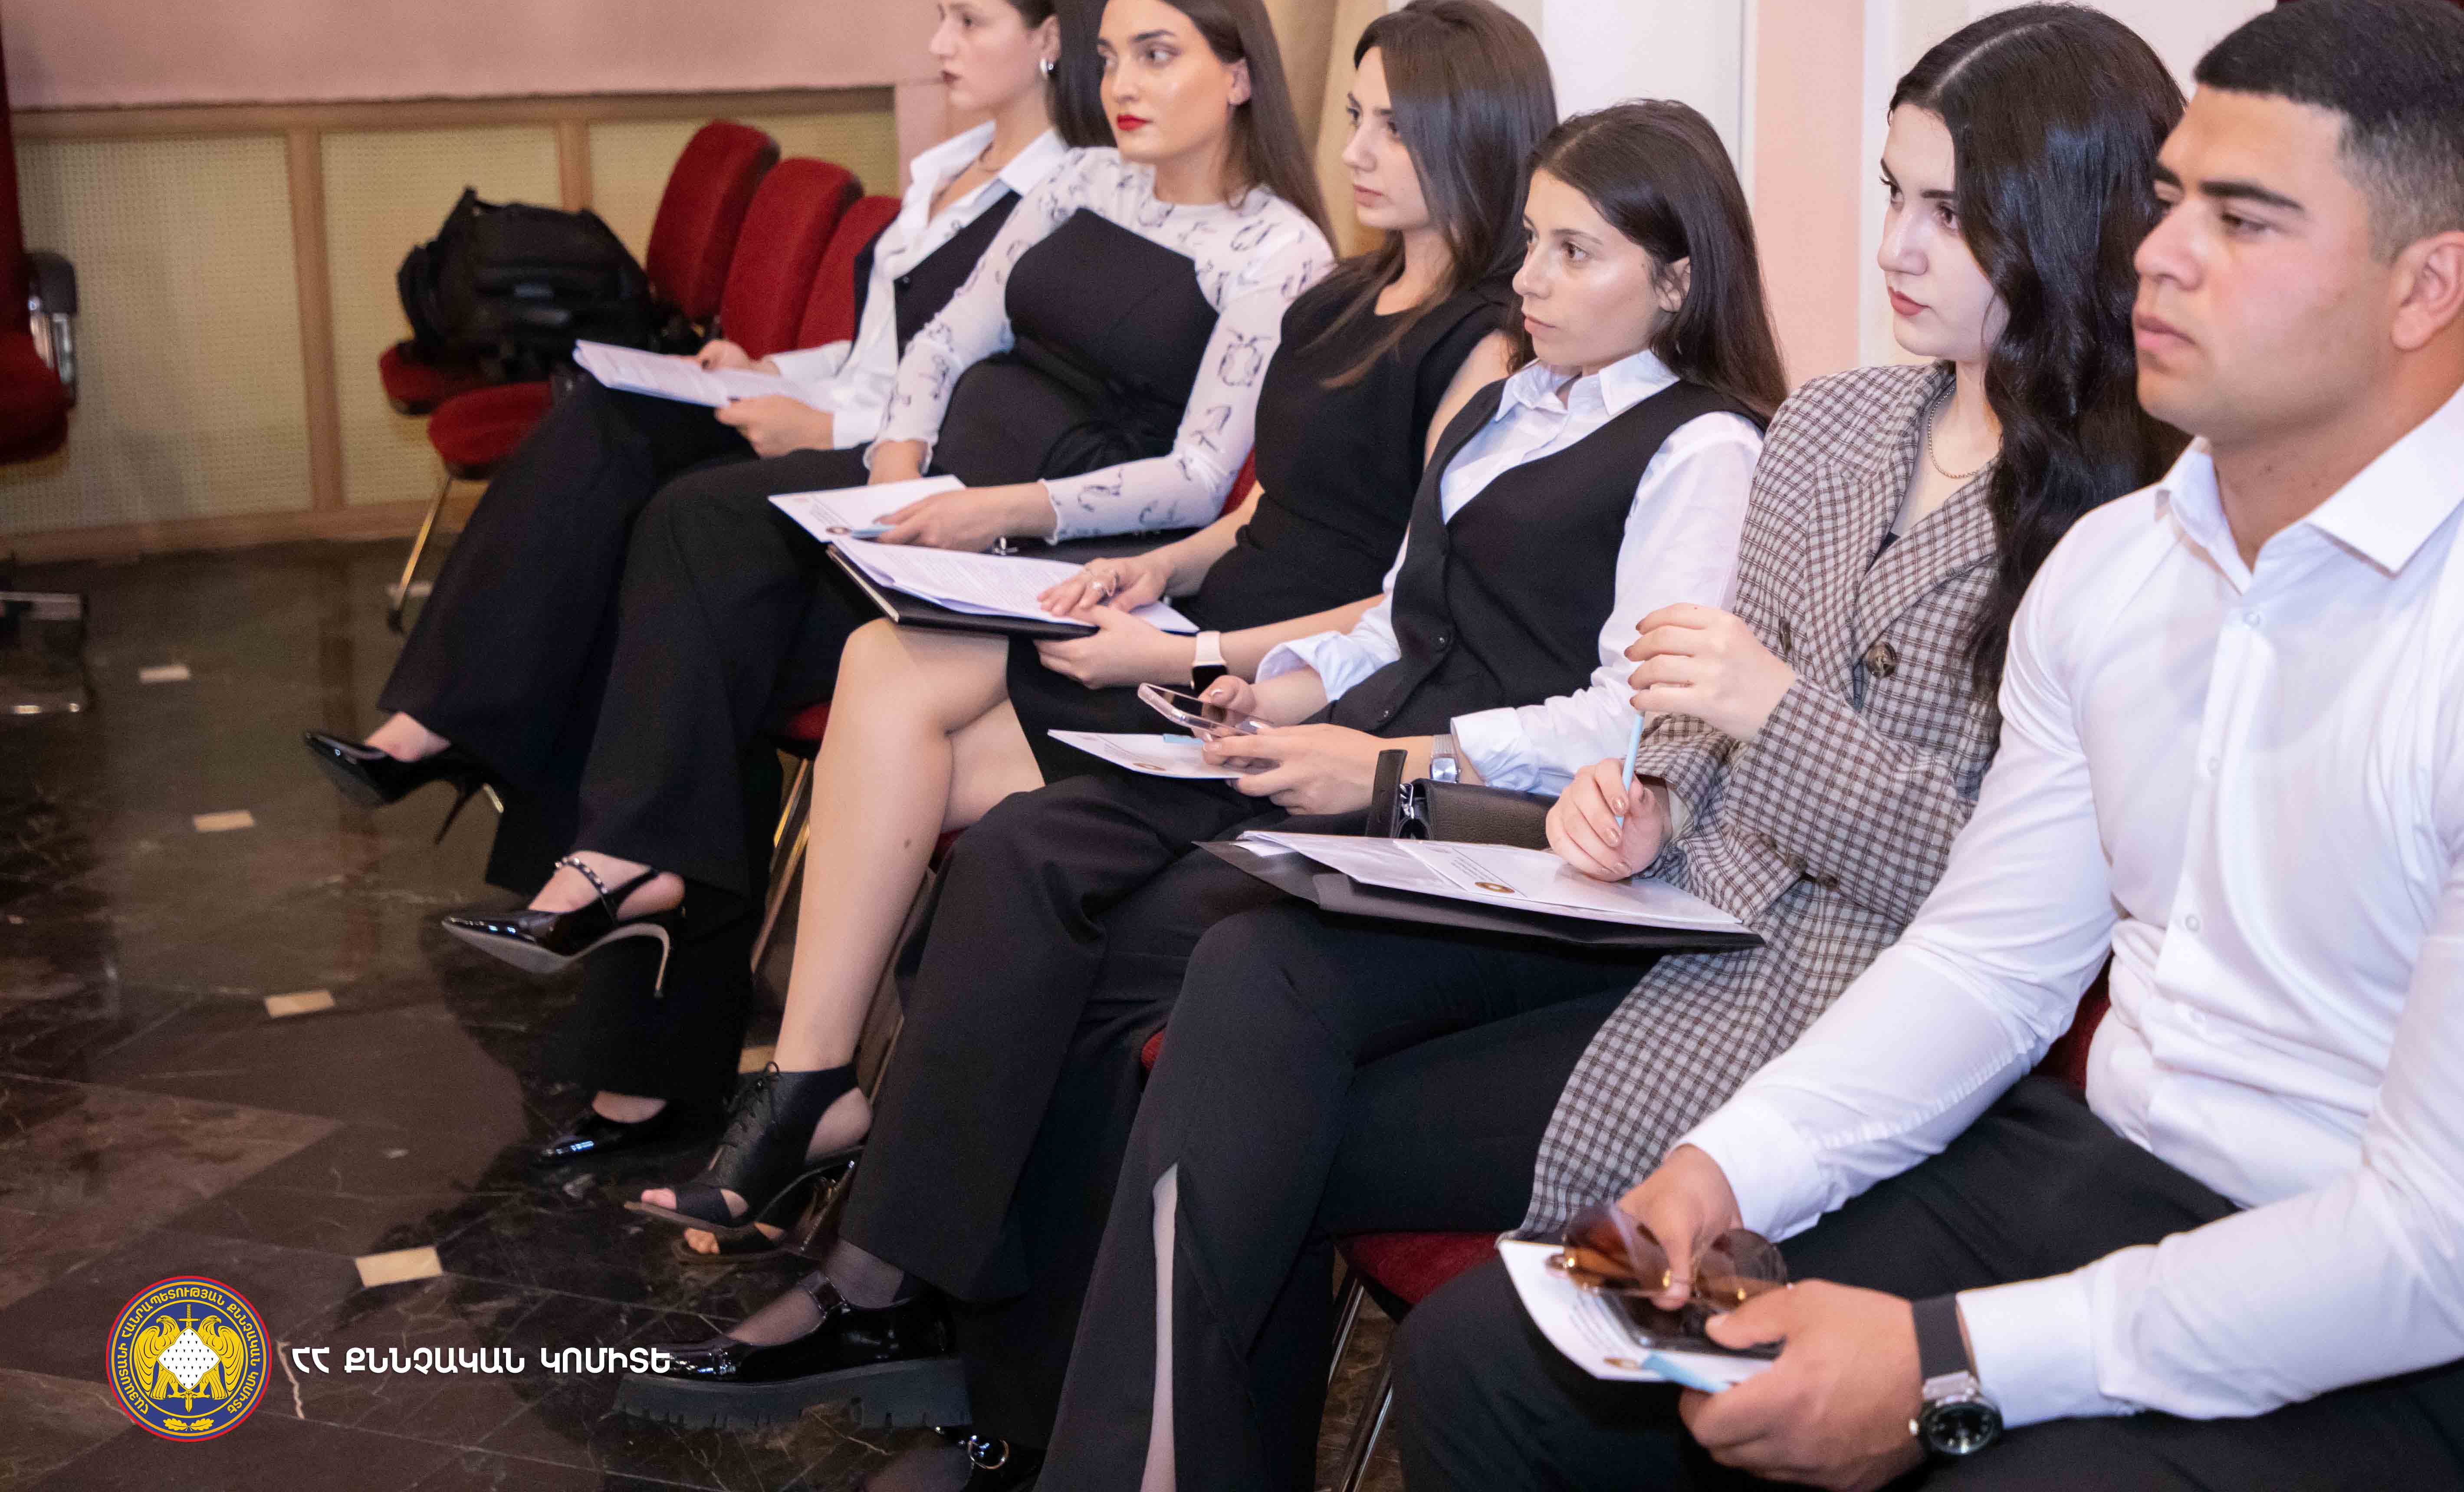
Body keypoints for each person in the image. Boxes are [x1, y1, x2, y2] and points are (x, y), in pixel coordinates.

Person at [1394, 0, 2464, 1492]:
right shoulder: (2119, 568)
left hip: (2452, 1355)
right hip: (2103, 1185)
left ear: (2424, 285)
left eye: (2242, 221)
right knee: (1503, 1362)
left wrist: (1951, 1363)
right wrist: (1735, 1163)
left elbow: (2444, 1247)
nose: (2160, 254)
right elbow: (1990, 963)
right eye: (2171, 201)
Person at [1027, 3, 2187, 1489]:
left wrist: (1770, 721)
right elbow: (1686, 710)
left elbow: (2005, 910)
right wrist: (1641, 799)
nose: (1896, 246)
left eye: (1948, 214)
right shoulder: (1836, 426)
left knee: (1266, 1132)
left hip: (1824, 1006)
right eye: (1893, 194)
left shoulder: (2128, 525)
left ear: (2069, 225)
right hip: (1664, 916)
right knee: (1257, 977)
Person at [613, 99, 1790, 1473]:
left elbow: (1627, 716)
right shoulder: (1522, 400)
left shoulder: (1704, 448)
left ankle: (993, 1365)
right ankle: (924, 1314)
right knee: (1027, 859)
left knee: (1128, 965)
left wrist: (1381, 758)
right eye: (1531, 243)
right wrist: (1267, 683)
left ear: (1679, 281)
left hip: (1482, 816)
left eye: (1574, 254)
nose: (1528, 278)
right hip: (1356, 751)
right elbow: (1398, 618)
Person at [627, 0, 1554, 1246]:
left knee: (924, 744)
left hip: (1283, 675)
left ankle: (821, 1104)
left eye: (1395, 127)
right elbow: (1265, 507)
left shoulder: (1487, 350)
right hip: (1202, 618)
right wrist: (1152, 568)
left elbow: (1406, 603)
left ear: (1477, 134)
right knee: (887, 672)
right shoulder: (1346, 294)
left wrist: (1182, 648)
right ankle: (819, 1088)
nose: (1355, 151)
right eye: (1354, 116)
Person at [433, 0, 1334, 1152]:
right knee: (698, 553)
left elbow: (1197, 472)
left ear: (1240, 75)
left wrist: (997, 508)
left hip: (1066, 554)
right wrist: (901, 462)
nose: (1122, 84)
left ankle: (647, 992)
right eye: (1112, 56)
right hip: (937, 511)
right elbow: (948, 334)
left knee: (710, 612)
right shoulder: (1087, 181)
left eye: (1158, 55)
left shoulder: (1281, 251)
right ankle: (642, 937)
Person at [304, 0, 1113, 905]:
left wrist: (824, 431)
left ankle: (595, 839)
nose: (939, 43)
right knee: (612, 415)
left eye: (969, 21)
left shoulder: (1073, 194)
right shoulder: (949, 166)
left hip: (905, 460)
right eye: (940, 16)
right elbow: (877, 349)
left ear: (1048, 38)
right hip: (841, 409)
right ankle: (444, 720)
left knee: (674, 521)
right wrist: (771, 367)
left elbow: (995, 394)